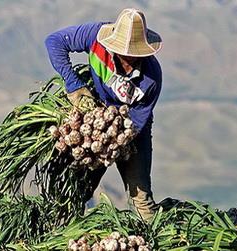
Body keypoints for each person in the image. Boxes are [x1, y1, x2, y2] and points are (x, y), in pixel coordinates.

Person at [45, 8, 166, 220]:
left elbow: (135, 123)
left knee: (142, 201)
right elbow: (54, 42)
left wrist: (103, 141)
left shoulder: (151, 78)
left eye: (135, 55)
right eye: (124, 52)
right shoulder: (95, 37)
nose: (128, 59)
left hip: (131, 131)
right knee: (77, 191)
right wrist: (74, 85)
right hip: (95, 119)